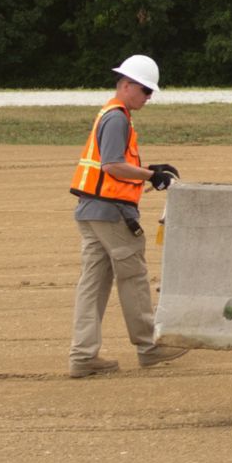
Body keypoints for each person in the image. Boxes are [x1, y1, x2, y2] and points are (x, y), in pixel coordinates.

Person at [68, 54, 184, 377]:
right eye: (146, 91)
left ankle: (82, 355)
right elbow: (112, 166)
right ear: (127, 85)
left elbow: (114, 167)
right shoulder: (117, 118)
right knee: (132, 276)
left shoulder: (112, 114)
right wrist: (152, 177)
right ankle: (149, 346)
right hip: (110, 213)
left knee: (93, 284)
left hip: (91, 210)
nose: (148, 98)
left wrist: (150, 170)